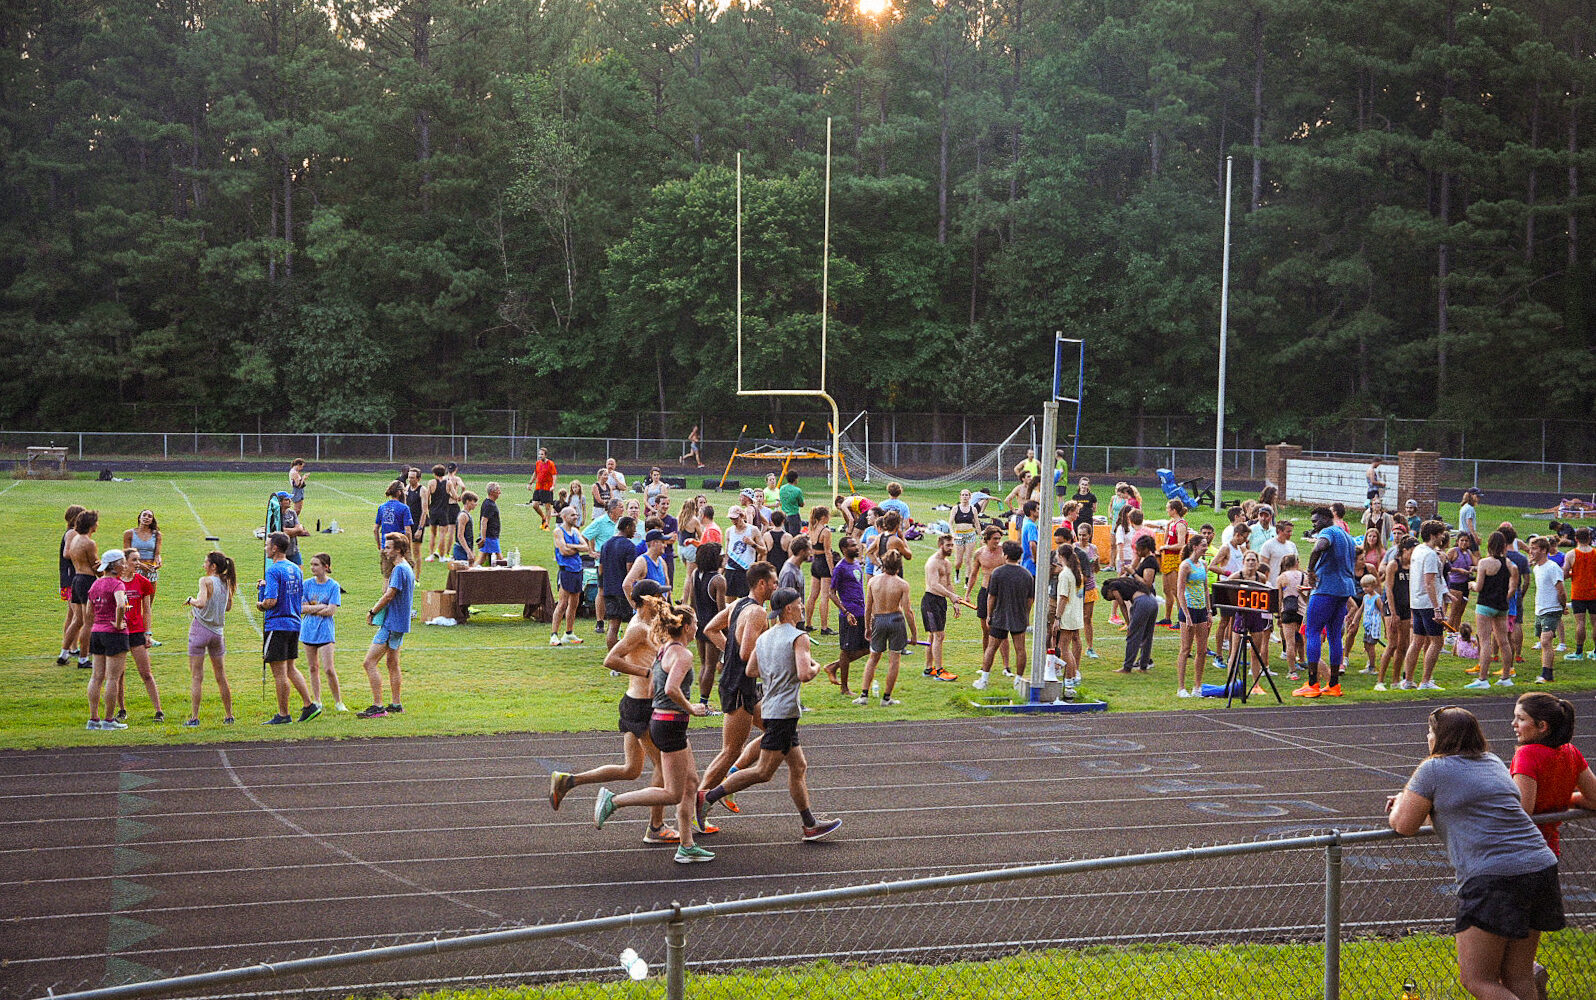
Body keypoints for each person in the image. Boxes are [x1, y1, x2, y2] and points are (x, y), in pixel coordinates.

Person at [1387, 706, 1562, 1000]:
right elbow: (1468, 810)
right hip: (1539, 865)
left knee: (1478, 979)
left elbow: (1404, 825)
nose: (1428, 738)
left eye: (1430, 732)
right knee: (1518, 975)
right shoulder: (1491, 761)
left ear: (1441, 736)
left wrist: (1402, 802)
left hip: (1493, 877)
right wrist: (1419, 804)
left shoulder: (1433, 768)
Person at [694, 587, 843, 843]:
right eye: (799, 604)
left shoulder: (765, 637)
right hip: (783, 712)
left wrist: (776, 671)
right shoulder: (799, 637)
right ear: (788, 609)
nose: (802, 608)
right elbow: (805, 673)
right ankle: (708, 797)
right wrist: (817, 666)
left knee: (799, 766)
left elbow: (752, 670)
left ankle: (810, 824)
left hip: (773, 706)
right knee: (763, 772)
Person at [548, 580, 676, 844]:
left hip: (636, 703)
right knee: (664, 768)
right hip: (641, 707)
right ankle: (656, 828)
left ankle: (568, 781)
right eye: (658, 596)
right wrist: (647, 672)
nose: (663, 599)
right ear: (644, 600)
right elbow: (610, 659)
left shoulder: (650, 625)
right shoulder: (638, 629)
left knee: (631, 769)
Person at [593, 600, 715, 865]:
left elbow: (652, 689)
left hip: (663, 720)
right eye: (695, 623)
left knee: (691, 782)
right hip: (671, 723)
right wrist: (691, 708)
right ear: (685, 627)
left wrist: (663, 711)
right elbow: (671, 688)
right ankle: (614, 801)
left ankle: (687, 846)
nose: (698, 628)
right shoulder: (683, 655)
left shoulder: (664, 650)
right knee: (673, 792)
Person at [700, 561, 776, 801]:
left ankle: (732, 776)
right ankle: (698, 801)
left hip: (741, 683)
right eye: (774, 581)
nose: (777, 585)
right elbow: (746, 654)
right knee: (731, 750)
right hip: (739, 685)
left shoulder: (738, 604)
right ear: (762, 583)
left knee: (777, 730)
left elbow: (711, 629)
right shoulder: (757, 612)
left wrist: (728, 652)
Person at [1295, 505, 1357, 698]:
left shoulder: (1328, 531)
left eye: (1315, 521)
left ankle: (1312, 683)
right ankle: (1334, 684)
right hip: (1344, 590)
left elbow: (1319, 547)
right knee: (1334, 635)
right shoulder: (1347, 536)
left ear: (1325, 518)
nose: (1314, 525)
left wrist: (1310, 571)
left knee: (1312, 631)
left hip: (1326, 588)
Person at [258, 531, 320, 725]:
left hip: (277, 624)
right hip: (294, 622)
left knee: (279, 672)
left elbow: (271, 600)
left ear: (275, 548)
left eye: (268, 544)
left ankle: (283, 714)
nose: (266, 547)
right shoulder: (296, 569)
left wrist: (260, 604)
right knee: (291, 667)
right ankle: (309, 704)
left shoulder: (273, 570)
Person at [358, 532, 416, 718]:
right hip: (400, 623)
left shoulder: (399, 569)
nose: (385, 550)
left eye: (388, 547)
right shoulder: (406, 567)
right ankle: (396, 704)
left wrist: (373, 611)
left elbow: (389, 594)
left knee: (369, 663)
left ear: (398, 550)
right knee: (392, 663)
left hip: (391, 624)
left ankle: (378, 706)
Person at [183, 551, 236, 726]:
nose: (203, 565)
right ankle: (229, 715)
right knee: (221, 675)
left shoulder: (205, 581)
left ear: (213, 566)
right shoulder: (226, 581)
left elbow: (201, 603)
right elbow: (228, 607)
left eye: (205, 562)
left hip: (200, 630)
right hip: (217, 633)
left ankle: (194, 717)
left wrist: (191, 600)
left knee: (197, 676)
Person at [857, 550, 916, 706]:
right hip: (896, 620)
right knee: (894, 659)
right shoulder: (902, 584)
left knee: (873, 657)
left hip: (879, 619)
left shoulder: (873, 582)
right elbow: (908, 611)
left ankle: (864, 695)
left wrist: (867, 627)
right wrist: (914, 634)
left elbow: (868, 607)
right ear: (899, 566)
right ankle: (886, 698)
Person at [1465, 531, 1520, 690]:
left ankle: (1483, 678)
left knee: (1485, 640)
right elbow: (1513, 587)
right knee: (1503, 641)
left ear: (1489, 545)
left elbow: (1479, 586)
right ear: (1504, 546)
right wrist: (1505, 598)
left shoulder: (1484, 563)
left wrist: (1471, 585)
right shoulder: (1510, 564)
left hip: (1485, 605)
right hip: (1502, 607)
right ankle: (1506, 676)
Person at [974, 540, 1031, 691]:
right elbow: (1030, 599)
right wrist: (1026, 614)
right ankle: (1018, 681)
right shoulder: (1027, 575)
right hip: (1019, 616)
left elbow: (991, 596)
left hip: (1000, 616)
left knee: (991, 647)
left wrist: (989, 615)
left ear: (1005, 555)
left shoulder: (997, 573)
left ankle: (984, 680)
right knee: (1020, 649)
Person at [84, 549, 130, 730]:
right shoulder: (117, 585)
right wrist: (118, 623)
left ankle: (93, 719)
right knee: (113, 678)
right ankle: (109, 720)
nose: (125, 566)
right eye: (123, 563)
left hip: (97, 632)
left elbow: (89, 612)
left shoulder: (95, 585)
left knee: (96, 677)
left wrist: (98, 623)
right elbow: (120, 605)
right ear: (115, 566)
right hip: (114, 635)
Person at [115, 549, 162, 722]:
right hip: (119, 632)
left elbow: (147, 610)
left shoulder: (142, 582)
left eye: (138, 560)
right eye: (134, 560)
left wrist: (147, 633)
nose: (138, 563)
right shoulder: (114, 582)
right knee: (119, 674)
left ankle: (158, 710)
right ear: (124, 562)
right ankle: (121, 709)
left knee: (146, 673)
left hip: (136, 632)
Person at [823, 538, 868, 695]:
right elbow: (831, 592)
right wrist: (846, 611)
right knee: (846, 650)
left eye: (856, 545)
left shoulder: (856, 564)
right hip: (849, 614)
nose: (856, 547)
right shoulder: (840, 568)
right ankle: (844, 688)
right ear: (843, 549)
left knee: (867, 647)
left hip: (861, 611)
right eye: (852, 546)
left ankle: (834, 666)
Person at [301, 552, 344, 713]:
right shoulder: (306, 584)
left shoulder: (333, 586)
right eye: (311, 564)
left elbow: (331, 611)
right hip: (308, 630)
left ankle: (338, 701)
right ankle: (317, 700)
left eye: (316, 564)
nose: (312, 567)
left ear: (326, 567)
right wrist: (321, 606)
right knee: (313, 667)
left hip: (325, 631)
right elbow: (301, 608)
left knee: (328, 669)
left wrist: (312, 609)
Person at [686, 541, 727, 709]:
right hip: (713, 627)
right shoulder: (718, 580)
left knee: (704, 664)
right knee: (711, 666)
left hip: (700, 623)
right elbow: (721, 610)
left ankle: (703, 701)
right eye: (721, 555)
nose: (724, 558)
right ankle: (704, 703)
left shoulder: (696, 573)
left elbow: (692, 602)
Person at [966, 525, 1010, 675]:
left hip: (1001, 593)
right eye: (994, 539)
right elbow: (973, 574)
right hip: (985, 591)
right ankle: (986, 664)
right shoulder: (979, 553)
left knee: (1002, 630)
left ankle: (1006, 666)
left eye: (999, 538)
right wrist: (968, 593)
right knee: (986, 629)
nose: (997, 541)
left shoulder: (1004, 552)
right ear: (987, 539)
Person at [921, 534, 964, 682]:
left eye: (952, 545)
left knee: (934, 636)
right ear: (941, 545)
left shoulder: (947, 563)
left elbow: (948, 583)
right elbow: (933, 584)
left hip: (941, 601)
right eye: (948, 545)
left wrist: (955, 601)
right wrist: (950, 596)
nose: (951, 548)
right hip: (931, 601)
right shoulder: (932, 562)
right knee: (939, 635)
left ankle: (928, 668)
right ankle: (939, 671)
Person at [1174, 534, 1212, 698]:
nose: (1206, 547)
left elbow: (1205, 589)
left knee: (1202, 650)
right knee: (1186, 649)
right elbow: (1180, 591)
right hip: (1188, 609)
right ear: (1195, 546)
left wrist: (1209, 611)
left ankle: (1197, 686)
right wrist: (1187, 616)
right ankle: (1181, 687)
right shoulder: (1185, 566)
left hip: (1201, 610)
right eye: (1203, 545)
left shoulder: (1203, 564)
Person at [1379, 539, 1417, 691]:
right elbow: (1388, 589)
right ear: (1405, 550)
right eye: (1412, 551)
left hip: (1406, 606)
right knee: (1392, 644)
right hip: (1392, 606)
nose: (1414, 554)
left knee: (1404, 645)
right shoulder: (1394, 565)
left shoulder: (1413, 566)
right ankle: (1380, 681)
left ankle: (1395, 680)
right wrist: (1393, 613)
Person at [1529, 536, 1568, 683]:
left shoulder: (1552, 568)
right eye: (1531, 548)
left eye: (1534, 548)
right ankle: (1548, 673)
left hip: (1552, 609)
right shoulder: (1537, 568)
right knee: (1543, 641)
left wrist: (1562, 607)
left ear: (1544, 550)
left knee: (1546, 640)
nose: (1531, 551)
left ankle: (1546, 675)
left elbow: (1561, 591)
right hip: (1540, 609)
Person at [550, 506, 590, 647]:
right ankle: (554, 635)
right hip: (566, 570)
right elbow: (564, 551)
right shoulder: (558, 532)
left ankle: (568, 633)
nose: (576, 517)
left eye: (576, 514)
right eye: (573, 515)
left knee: (574, 603)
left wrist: (572, 545)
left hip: (577, 570)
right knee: (562, 603)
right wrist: (575, 547)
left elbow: (586, 547)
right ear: (565, 517)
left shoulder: (575, 531)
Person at [122, 509, 163, 645]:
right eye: (144, 515)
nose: (146, 518)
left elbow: (157, 553)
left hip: (150, 571)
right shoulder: (129, 534)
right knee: (132, 604)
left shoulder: (156, 535)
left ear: (152, 520)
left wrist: (158, 561)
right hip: (134, 570)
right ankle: (128, 632)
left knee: (148, 605)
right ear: (139, 517)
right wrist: (140, 565)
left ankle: (147, 635)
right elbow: (126, 555)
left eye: (149, 516)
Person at [66, 509, 101, 669]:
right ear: (91, 525)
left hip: (76, 579)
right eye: (96, 522)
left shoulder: (74, 539)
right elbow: (96, 567)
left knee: (77, 620)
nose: (98, 524)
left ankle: (63, 653)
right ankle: (83, 658)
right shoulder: (89, 542)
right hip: (87, 581)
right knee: (89, 622)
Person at [599, 516, 640, 649]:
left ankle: (613, 657)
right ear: (627, 527)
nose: (635, 531)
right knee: (631, 626)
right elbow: (630, 571)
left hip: (609, 589)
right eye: (633, 528)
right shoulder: (629, 546)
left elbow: (601, 569)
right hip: (624, 592)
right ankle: (628, 656)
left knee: (613, 626)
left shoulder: (606, 545)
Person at [57, 504, 87, 665]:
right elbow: (67, 553)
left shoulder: (73, 532)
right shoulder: (72, 533)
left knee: (72, 615)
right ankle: (69, 650)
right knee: (79, 617)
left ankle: (72, 648)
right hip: (72, 579)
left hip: (69, 578)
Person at [1560, 526, 1595, 661]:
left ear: (1576, 539)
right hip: (1594, 592)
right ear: (1590, 538)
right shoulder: (1595, 553)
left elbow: (1564, 574)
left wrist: (1574, 574)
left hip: (1578, 593)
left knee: (1580, 623)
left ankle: (1579, 652)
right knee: (1595, 623)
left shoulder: (1571, 554)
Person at [1158, 500, 1190, 626]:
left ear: (1174, 510)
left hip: (1175, 559)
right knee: (1166, 589)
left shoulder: (1181, 525)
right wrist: (1167, 528)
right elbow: (1166, 540)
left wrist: (1166, 548)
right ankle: (1167, 617)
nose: (1167, 510)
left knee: (1177, 590)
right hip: (1168, 558)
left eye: (1168, 508)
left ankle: (1180, 618)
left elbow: (1182, 545)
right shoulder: (1172, 523)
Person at [804, 507, 836, 634]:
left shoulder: (812, 528)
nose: (830, 517)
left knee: (812, 595)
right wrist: (832, 570)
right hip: (823, 563)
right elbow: (828, 553)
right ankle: (824, 627)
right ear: (823, 517)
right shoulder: (825, 531)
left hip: (815, 563)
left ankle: (809, 624)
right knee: (824, 596)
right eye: (828, 515)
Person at [723, 506, 766, 599]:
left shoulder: (753, 530)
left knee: (746, 601)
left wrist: (753, 544)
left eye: (735, 518)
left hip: (745, 570)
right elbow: (726, 554)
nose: (734, 521)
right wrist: (722, 570)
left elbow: (764, 550)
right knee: (729, 602)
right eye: (731, 519)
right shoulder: (729, 531)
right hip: (731, 570)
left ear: (742, 516)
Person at [623, 529, 672, 606]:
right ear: (653, 543)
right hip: (647, 613)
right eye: (662, 542)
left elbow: (667, 585)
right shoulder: (642, 561)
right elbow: (626, 585)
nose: (665, 545)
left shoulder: (661, 562)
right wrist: (636, 605)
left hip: (660, 611)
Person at [376, 482, 414, 574]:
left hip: (386, 546)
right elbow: (408, 531)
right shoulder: (404, 508)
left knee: (387, 577)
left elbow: (375, 529)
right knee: (404, 574)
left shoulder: (382, 507)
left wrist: (380, 544)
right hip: (399, 547)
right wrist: (408, 547)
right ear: (400, 492)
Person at [1446, 532, 1479, 637]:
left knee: (1460, 611)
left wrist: (1473, 568)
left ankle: (1455, 632)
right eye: (1462, 540)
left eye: (1466, 541)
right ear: (1457, 541)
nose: (1464, 543)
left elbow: (1477, 563)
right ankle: (1449, 633)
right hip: (1455, 584)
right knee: (1454, 611)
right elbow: (1445, 565)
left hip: (1465, 584)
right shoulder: (1453, 552)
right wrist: (1458, 570)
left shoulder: (1469, 552)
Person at [423, 464, 451, 560]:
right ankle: (442, 557)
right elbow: (455, 496)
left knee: (433, 534)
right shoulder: (448, 483)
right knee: (442, 534)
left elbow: (427, 497)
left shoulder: (431, 483)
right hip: (444, 511)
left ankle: (431, 555)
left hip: (433, 511)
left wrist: (426, 510)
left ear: (434, 474)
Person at [450, 491, 479, 564]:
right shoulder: (463, 516)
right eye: (474, 501)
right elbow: (460, 535)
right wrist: (468, 552)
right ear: (467, 501)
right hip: (461, 550)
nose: (476, 504)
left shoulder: (467, 515)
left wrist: (472, 550)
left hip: (465, 549)